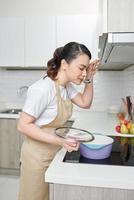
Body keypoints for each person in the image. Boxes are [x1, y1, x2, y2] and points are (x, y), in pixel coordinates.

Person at [17, 42, 100, 200]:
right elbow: (23, 125)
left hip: (54, 153)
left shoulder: (66, 87)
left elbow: (85, 103)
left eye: (85, 69)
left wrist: (89, 78)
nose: (83, 73)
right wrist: (61, 141)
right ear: (64, 64)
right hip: (36, 157)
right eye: (81, 68)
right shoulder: (43, 89)